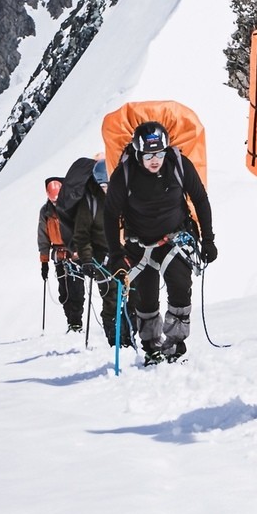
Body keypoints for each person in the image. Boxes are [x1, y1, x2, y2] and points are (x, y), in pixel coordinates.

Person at [103, 121, 216, 364]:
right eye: (148, 155)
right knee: (146, 298)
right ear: (137, 153)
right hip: (139, 245)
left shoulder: (179, 165)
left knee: (179, 286)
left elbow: (200, 199)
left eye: (159, 154)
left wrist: (208, 239)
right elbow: (110, 214)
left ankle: (174, 344)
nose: (155, 160)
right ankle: (151, 347)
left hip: (174, 239)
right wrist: (115, 254)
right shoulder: (124, 173)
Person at [59, 156, 126, 346]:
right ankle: (115, 338)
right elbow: (82, 235)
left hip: (123, 252)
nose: (106, 188)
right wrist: (87, 259)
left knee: (131, 295)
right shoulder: (89, 202)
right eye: (103, 184)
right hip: (100, 255)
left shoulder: (122, 197)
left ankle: (128, 336)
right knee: (111, 295)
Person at [37, 175, 84, 332]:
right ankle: (70, 319)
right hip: (58, 255)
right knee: (64, 291)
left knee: (76, 288)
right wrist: (44, 262)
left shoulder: (74, 207)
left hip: (75, 254)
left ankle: (76, 322)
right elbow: (43, 238)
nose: (56, 203)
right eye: (53, 200)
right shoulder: (46, 212)